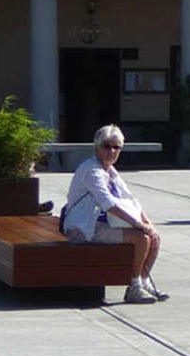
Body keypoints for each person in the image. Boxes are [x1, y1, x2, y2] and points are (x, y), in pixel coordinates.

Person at [61, 125, 165, 305]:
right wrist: (138, 224)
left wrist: (147, 222)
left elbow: (130, 199)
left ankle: (143, 282)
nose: (112, 151)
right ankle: (133, 288)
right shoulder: (92, 170)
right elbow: (107, 203)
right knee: (142, 239)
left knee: (154, 236)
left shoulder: (110, 170)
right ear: (97, 147)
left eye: (116, 147)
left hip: (102, 224)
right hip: (84, 228)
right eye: (107, 146)